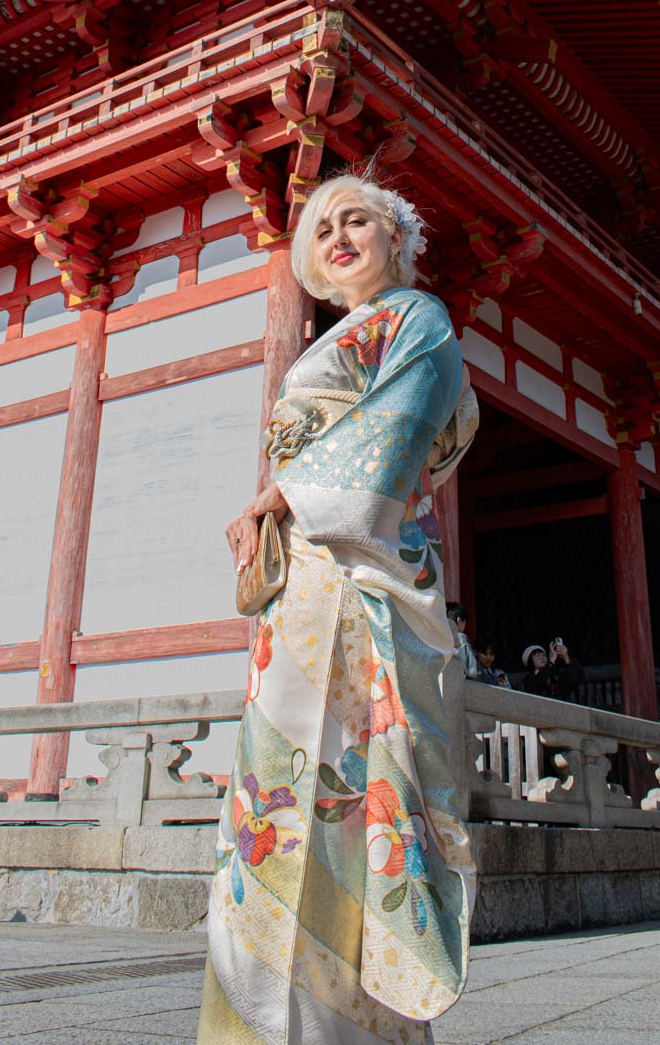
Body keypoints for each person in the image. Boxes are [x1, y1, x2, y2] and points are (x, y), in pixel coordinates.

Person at [198, 174, 480, 1043]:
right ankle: (261, 1009)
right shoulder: (340, 337)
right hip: (303, 589)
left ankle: (342, 1020)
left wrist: (283, 496)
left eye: (358, 218)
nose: (338, 235)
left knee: (340, 779)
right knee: (272, 792)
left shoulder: (417, 321)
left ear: (400, 239)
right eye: (321, 227)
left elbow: (395, 434)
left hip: (355, 581)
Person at [447, 602, 479, 679]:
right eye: (464, 622)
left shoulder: (440, 639)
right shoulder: (461, 638)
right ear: (459, 620)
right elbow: (472, 672)